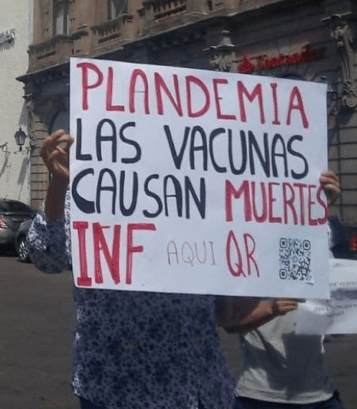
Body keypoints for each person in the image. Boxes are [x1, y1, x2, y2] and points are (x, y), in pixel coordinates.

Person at [26, 129, 236, 409]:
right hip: (115, 389)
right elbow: (46, 257)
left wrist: (312, 206)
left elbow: (229, 310)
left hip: (200, 388)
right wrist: (59, 184)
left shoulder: (210, 197)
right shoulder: (91, 193)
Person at [218, 171, 346, 409]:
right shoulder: (246, 258)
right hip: (260, 398)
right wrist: (271, 308)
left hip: (321, 394)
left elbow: (336, 321)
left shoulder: (316, 246)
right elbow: (229, 322)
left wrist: (321, 202)